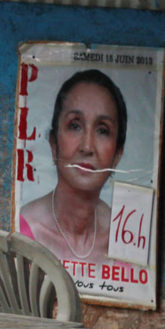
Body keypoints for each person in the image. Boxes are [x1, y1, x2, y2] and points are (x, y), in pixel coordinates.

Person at [19, 69, 127, 265]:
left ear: (117, 155)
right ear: (53, 144)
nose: (87, 147)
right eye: (75, 126)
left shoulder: (124, 241)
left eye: (102, 130)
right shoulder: (23, 230)